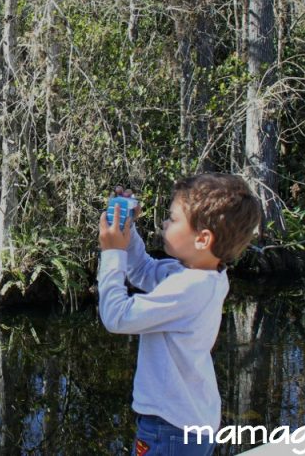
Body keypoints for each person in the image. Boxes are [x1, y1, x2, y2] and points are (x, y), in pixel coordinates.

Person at [97, 173, 261, 456]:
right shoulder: (203, 275)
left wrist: (112, 253)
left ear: (202, 239)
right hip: (189, 423)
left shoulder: (188, 287)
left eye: (172, 219)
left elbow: (116, 317)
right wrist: (128, 230)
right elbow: (142, 271)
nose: (164, 223)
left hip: (169, 429)